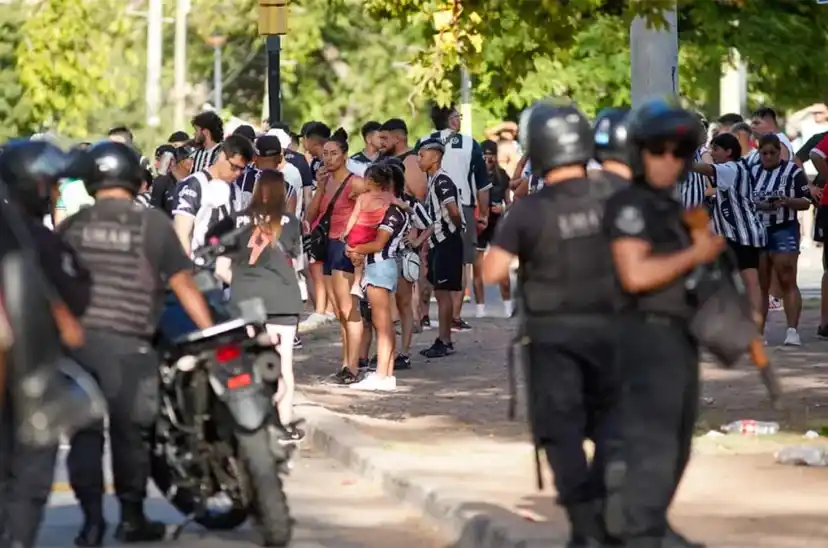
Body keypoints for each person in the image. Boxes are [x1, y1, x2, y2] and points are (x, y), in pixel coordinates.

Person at [481, 101, 626, 547]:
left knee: (561, 431)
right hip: (614, 331)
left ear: (538, 151)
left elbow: (491, 271)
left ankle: (584, 524)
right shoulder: (613, 197)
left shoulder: (529, 209)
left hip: (551, 337)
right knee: (611, 423)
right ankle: (607, 504)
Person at [58, 141, 214, 545]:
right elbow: (184, 285)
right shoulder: (153, 224)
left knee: (85, 436)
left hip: (79, 350)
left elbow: (52, 288)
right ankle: (131, 518)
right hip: (132, 346)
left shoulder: (72, 226)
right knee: (131, 436)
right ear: (133, 178)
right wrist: (212, 334)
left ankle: (92, 522)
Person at [603, 100, 723, 547]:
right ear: (640, 153)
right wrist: (696, 252)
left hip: (677, 335)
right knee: (652, 440)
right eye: (659, 151)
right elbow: (635, 274)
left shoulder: (668, 207)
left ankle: (653, 525)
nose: (669, 161)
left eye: (679, 152)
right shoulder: (629, 206)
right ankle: (639, 531)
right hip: (644, 336)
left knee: (678, 439)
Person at [0, 140, 92, 548]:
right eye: (52, 185)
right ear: (35, 186)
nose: (57, 193)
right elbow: (78, 298)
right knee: (30, 479)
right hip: (30, 376)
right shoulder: (37, 241)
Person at [213, 169, 306, 440]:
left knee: (247, 363)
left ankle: (251, 423)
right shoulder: (291, 222)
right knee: (283, 364)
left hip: (246, 302)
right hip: (282, 300)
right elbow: (297, 264)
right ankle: (283, 424)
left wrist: (244, 283)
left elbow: (220, 269)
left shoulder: (236, 220)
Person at [417, 104, 490, 332]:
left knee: (427, 259)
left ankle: (423, 315)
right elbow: (483, 185)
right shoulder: (469, 144)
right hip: (461, 206)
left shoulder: (423, 142)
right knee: (462, 262)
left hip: (429, 207)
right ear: (452, 120)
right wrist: (483, 214)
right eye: (458, 116)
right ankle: (455, 317)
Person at [305, 129, 365, 385]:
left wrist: (359, 241)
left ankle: (354, 366)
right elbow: (310, 215)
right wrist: (319, 188)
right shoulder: (325, 181)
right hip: (328, 245)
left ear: (344, 155)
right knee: (339, 311)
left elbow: (376, 207)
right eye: (325, 154)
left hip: (345, 246)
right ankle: (345, 363)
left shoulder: (356, 182)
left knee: (348, 308)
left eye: (333, 154)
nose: (328, 159)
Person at [689, 132, 766, 329]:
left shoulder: (730, 168)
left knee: (750, 283)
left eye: (716, 149)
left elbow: (705, 169)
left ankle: (754, 328)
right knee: (740, 284)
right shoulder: (737, 167)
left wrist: (679, 161)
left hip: (741, 234)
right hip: (735, 234)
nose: (712, 153)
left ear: (729, 151)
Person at [346, 163, 409, 391]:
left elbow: (378, 244)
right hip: (382, 266)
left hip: (379, 266)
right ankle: (386, 373)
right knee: (383, 324)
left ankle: (382, 375)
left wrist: (354, 248)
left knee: (382, 324)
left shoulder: (392, 212)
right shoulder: (395, 207)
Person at [751, 133, 811, 344]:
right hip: (758, 230)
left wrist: (787, 201)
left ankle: (792, 330)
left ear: (779, 152)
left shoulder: (793, 171)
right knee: (761, 282)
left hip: (784, 227)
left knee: (787, 277)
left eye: (772, 153)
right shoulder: (751, 171)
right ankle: (759, 333)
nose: (768, 157)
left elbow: (806, 202)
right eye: (764, 153)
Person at [417, 137, 464, 358]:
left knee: (443, 293)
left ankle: (445, 340)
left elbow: (453, 210)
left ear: (435, 156)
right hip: (438, 242)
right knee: (440, 291)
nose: (419, 159)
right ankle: (443, 338)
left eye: (422, 155)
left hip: (447, 241)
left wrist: (455, 228)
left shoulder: (442, 181)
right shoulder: (433, 180)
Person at [173, 135, 254, 256]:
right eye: (234, 167)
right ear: (222, 156)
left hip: (226, 261)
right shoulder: (194, 184)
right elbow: (182, 234)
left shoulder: (236, 190)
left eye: (242, 169)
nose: (238, 173)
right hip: (199, 260)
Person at [342, 166, 397, 299]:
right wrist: (410, 212)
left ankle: (357, 283)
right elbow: (403, 205)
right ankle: (358, 282)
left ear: (370, 181)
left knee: (356, 255)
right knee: (363, 254)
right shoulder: (388, 197)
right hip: (372, 231)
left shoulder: (362, 197)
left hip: (358, 229)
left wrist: (346, 232)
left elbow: (354, 216)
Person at [472, 139, 512, 318]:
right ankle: (480, 309)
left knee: (502, 268)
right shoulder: (474, 175)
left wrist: (502, 208)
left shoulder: (502, 176)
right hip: (480, 224)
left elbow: (509, 202)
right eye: (485, 156)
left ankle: (508, 306)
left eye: (492, 156)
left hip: (497, 225)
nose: (489, 159)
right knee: (477, 268)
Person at [149, 144, 195, 216]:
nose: (155, 164)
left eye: (159, 160)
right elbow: (154, 212)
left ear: (172, 160)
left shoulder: (192, 179)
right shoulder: (160, 182)